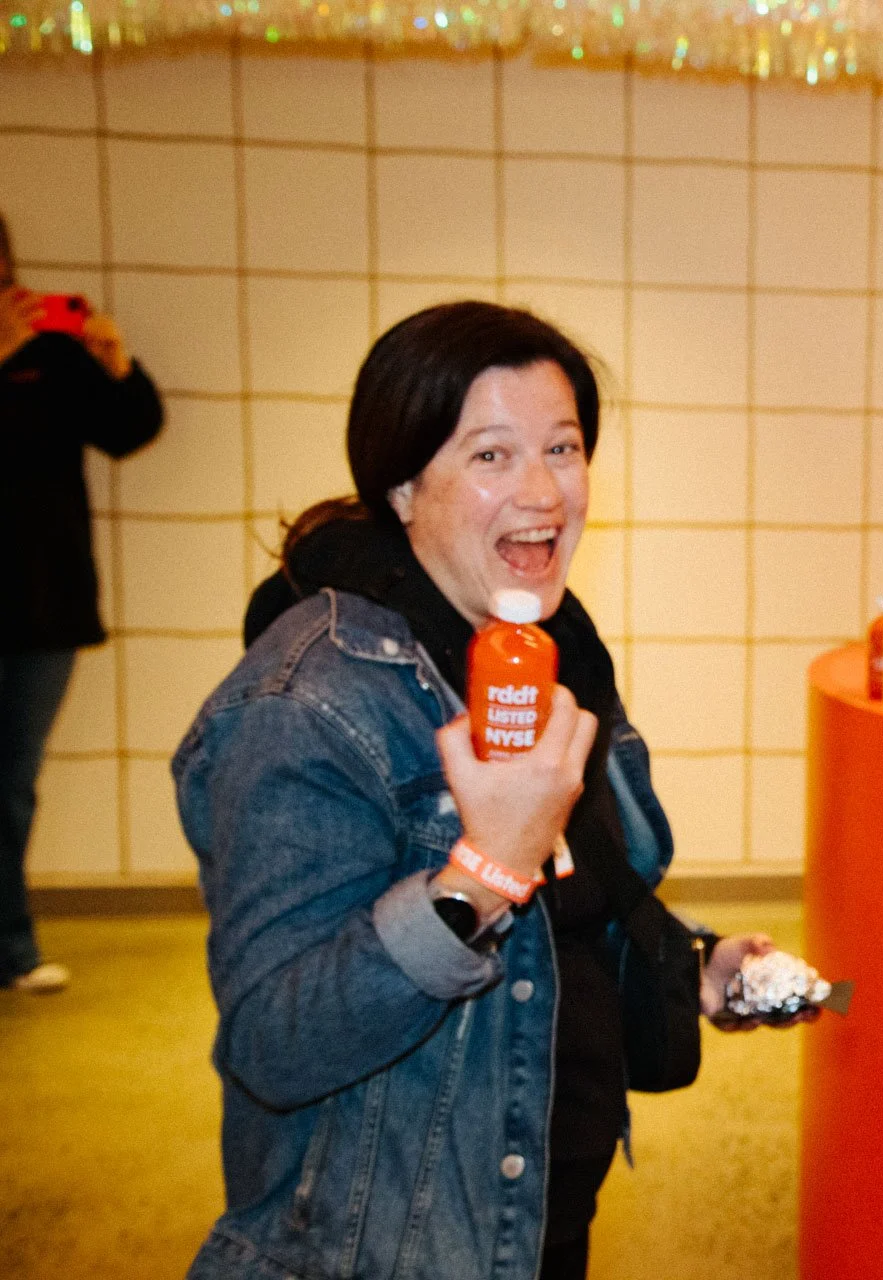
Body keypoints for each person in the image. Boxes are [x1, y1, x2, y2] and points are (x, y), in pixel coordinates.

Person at [174, 302, 791, 1280]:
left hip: (535, 1208)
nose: (543, 489)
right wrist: (483, 871)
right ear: (404, 483)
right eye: (491, 455)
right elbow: (273, 1039)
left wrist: (696, 965)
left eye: (564, 446)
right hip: (381, 1242)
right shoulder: (308, 699)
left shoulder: (550, 653)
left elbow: (569, 911)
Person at [0, 211, 164, 995]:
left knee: (12, 780)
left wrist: (117, 364)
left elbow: (130, 431)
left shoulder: (52, 353)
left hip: (43, 603)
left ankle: (10, 946)